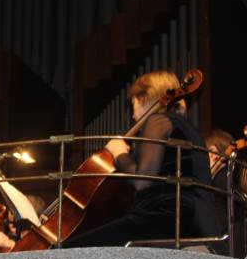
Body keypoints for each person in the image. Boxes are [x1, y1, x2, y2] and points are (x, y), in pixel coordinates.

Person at [63, 70, 218, 248]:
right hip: (192, 219)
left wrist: (119, 153)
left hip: (166, 216)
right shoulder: (187, 128)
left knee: (70, 248)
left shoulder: (158, 121)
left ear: (145, 98)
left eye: (134, 105)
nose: (133, 115)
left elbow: (141, 181)